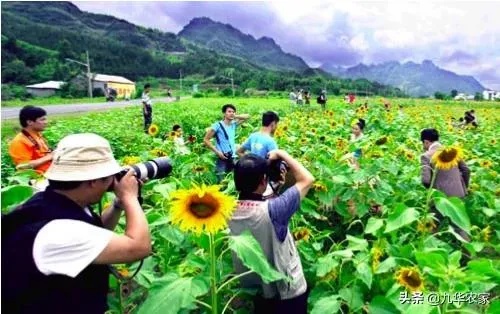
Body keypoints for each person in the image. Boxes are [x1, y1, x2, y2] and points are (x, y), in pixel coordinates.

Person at [2, 133, 151, 313]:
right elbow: (139, 247)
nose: (112, 182)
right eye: (109, 177)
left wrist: (118, 205)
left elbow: (93, 232)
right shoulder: (57, 231)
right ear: (93, 181)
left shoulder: (50, 201)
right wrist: (130, 198)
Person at [229, 150, 314, 313]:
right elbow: (307, 179)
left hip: (256, 288)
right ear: (263, 181)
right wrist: (281, 153)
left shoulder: (226, 210)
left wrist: (276, 186)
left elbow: (253, 202)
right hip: (286, 290)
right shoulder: (276, 209)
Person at [420, 128, 471, 239]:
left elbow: (426, 180)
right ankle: (467, 254)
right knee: (459, 226)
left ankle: (430, 252)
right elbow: (466, 170)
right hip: (458, 195)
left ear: (426, 142)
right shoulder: (451, 152)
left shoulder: (426, 156)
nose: (423, 146)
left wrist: (431, 192)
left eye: (423, 143)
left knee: (431, 226)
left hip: (439, 197)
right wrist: (463, 188)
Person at [203, 104, 250, 182]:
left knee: (234, 180)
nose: (232, 113)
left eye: (233, 112)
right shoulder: (217, 125)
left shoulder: (233, 125)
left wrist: (234, 116)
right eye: (229, 111)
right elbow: (206, 140)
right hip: (222, 157)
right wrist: (217, 152)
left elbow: (247, 116)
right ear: (224, 113)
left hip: (233, 156)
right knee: (221, 180)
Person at [9, 105, 53, 174]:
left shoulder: (37, 135)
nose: (46, 122)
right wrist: (50, 156)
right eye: (42, 119)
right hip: (37, 179)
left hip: (50, 172)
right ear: (29, 122)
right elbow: (22, 166)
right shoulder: (19, 141)